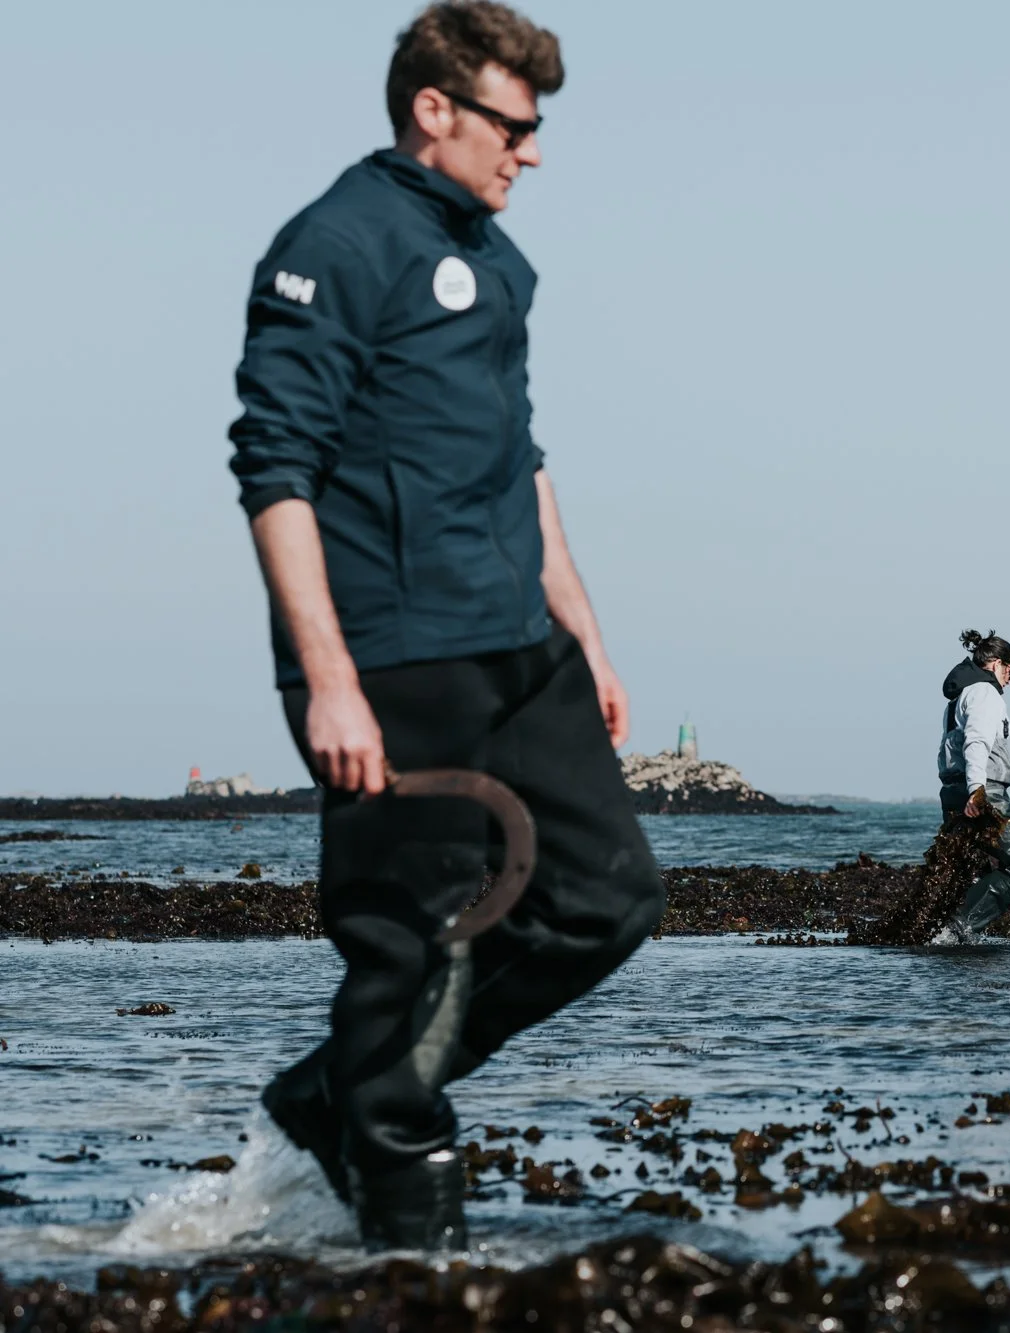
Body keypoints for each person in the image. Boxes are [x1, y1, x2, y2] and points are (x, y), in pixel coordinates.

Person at [228, 1, 663, 1250]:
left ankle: (341, 1092)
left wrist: (584, 633)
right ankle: (409, 1245)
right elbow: (274, 468)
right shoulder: (334, 243)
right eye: (514, 126)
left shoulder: (498, 258)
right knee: (407, 946)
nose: (532, 151)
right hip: (393, 654)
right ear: (435, 109)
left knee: (608, 900)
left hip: (518, 643)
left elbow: (521, 458)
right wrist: (330, 680)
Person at [934, 629, 1010, 942]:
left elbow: (946, 751)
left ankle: (946, 934)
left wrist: (959, 790)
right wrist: (977, 790)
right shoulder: (985, 693)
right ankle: (957, 931)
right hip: (983, 790)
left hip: (952, 789)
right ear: (996, 664)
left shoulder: (958, 699)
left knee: (975, 868)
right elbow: (977, 742)